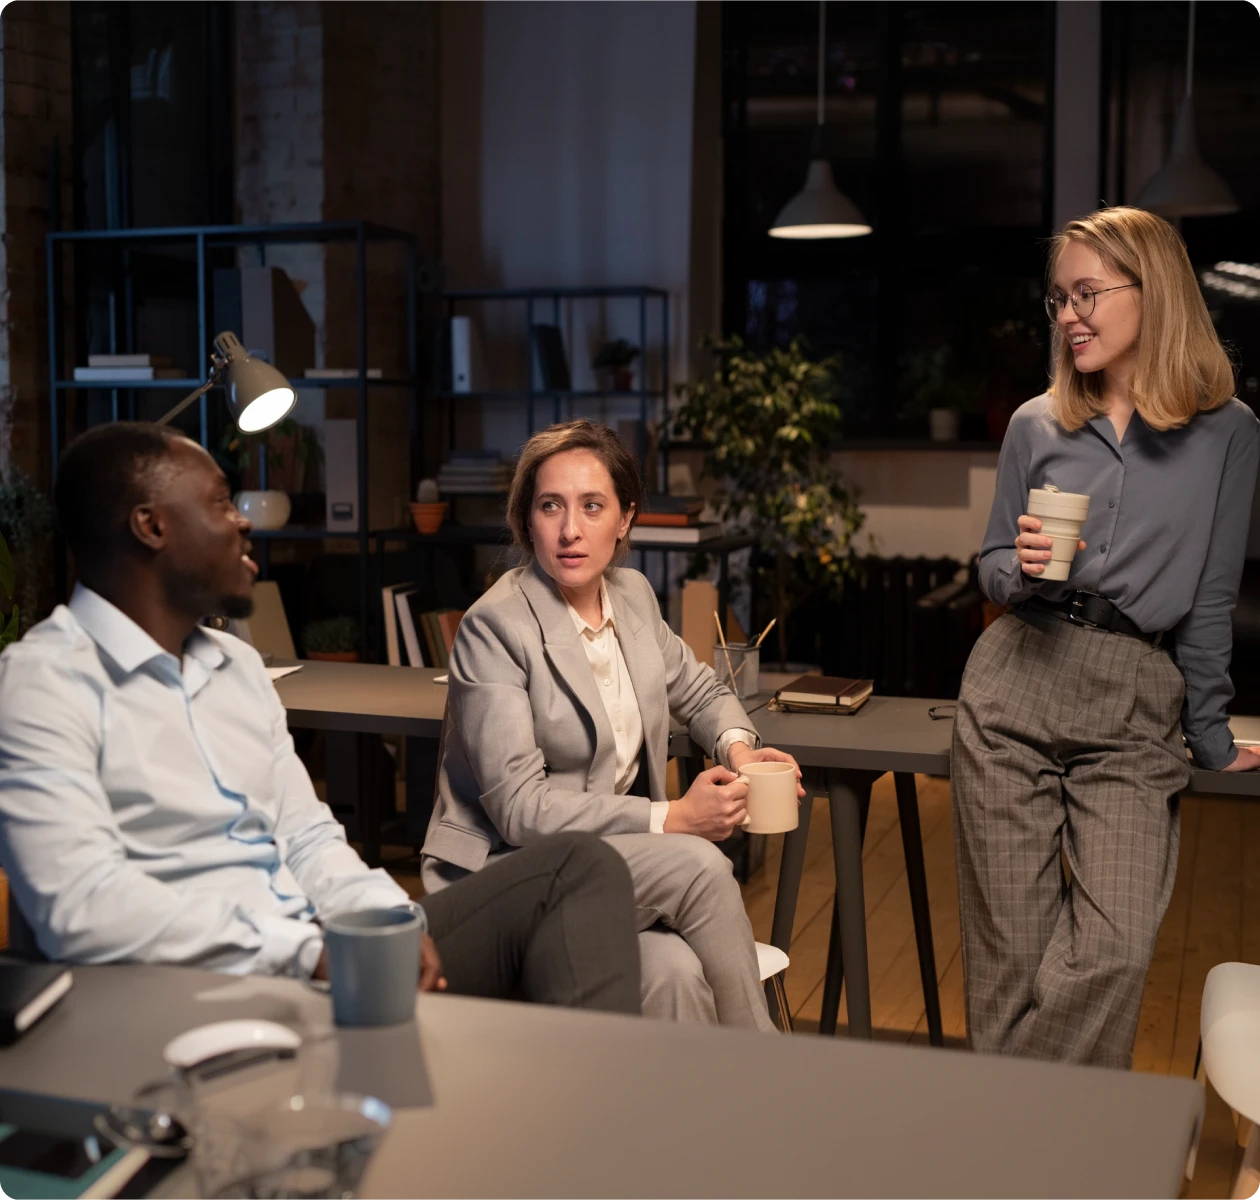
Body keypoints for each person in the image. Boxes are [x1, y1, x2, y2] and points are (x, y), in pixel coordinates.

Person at [0, 423, 642, 1016]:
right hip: (202, 986)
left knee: (580, 868)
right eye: (221, 503)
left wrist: (386, 920)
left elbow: (307, 839)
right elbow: (82, 906)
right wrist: (305, 950)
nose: (241, 523)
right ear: (151, 526)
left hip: (320, 946)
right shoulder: (44, 682)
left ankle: (582, 1120)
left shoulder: (236, 666)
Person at [953, 206, 1260, 1067]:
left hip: (1135, 701)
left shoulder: (1230, 435)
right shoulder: (1034, 423)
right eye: (1059, 299)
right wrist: (1026, 568)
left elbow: (1209, 599)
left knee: (1114, 948)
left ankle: (1013, 1138)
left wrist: (1208, 728)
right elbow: (990, 566)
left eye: (1088, 292)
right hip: (1017, 676)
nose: (1070, 315)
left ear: (1151, 290)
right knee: (1008, 964)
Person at [421, 419, 804, 1031]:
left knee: (675, 976)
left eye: (592, 506)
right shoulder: (494, 626)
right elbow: (520, 810)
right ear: (527, 519)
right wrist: (672, 818)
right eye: (551, 506)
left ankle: (680, 1125)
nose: (571, 530)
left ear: (624, 518)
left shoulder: (631, 596)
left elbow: (701, 689)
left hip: (609, 867)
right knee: (699, 865)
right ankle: (769, 1097)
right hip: (506, 876)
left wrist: (738, 750)